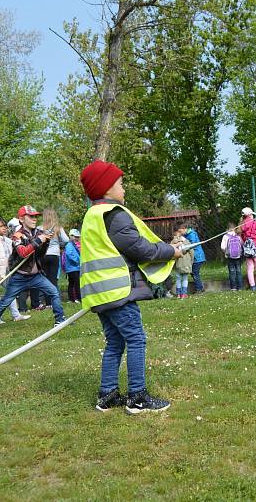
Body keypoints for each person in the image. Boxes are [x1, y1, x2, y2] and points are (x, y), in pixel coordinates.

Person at [79, 160, 180, 413]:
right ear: (106, 189)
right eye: (121, 184)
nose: (124, 189)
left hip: (101, 294)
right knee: (136, 339)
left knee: (115, 342)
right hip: (118, 292)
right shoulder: (114, 214)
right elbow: (139, 248)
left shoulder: (92, 215)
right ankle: (137, 397)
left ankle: (108, 394)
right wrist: (171, 251)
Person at [0, 205, 65, 334]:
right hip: (20, 277)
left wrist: (45, 242)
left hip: (36, 275)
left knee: (53, 292)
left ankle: (60, 319)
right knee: (6, 301)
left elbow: (40, 254)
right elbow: (23, 253)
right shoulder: (17, 236)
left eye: (36, 216)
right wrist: (39, 240)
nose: (34, 219)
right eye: (31, 216)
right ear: (22, 219)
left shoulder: (39, 233)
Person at [0, 216, 29, 324]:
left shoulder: (5, 240)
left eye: (5, 226)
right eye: (1, 226)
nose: (4, 228)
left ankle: (16, 315)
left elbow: (12, 250)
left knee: (10, 292)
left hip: (5, 272)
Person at [40, 208, 69, 308]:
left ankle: (47, 303)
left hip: (43, 255)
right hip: (54, 255)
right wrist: (59, 244)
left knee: (45, 279)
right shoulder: (58, 228)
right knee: (53, 279)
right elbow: (66, 240)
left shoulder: (40, 228)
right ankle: (54, 302)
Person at [240, 207, 256, 290]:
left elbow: (242, 236)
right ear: (250, 215)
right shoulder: (255, 223)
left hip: (247, 248)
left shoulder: (242, 224)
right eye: (251, 214)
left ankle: (252, 286)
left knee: (250, 267)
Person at [171, 223, 193, 298]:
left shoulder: (172, 242)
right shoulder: (186, 241)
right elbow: (191, 252)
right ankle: (184, 293)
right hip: (186, 263)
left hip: (178, 264)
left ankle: (178, 294)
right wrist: (191, 261)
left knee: (178, 278)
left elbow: (171, 251)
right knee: (185, 279)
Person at [221, 222, 244, 291]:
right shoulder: (238, 236)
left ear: (227, 229)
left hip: (230, 257)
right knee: (239, 271)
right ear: (234, 229)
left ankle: (233, 288)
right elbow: (242, 244)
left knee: (232, 271)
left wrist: (225, 252)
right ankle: (240, 287)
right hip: (238, 256)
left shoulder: (225, 236)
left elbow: (222, 247)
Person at [184, 224, 206, 293]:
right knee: (193, 273)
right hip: (195, 258)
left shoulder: (192, 234)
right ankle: (200, 287)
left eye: (181, 231)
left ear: (185, 228)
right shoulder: (187, 235)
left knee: (194, 272)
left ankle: (199, 289)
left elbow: (191, 244)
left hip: (198, 257)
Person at [63, 229, 82, 303]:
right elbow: (69, 254)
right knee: (77, 283)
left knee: (71, 283)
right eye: (75, 237)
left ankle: (71, 299)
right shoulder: (69, 245)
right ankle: (78, 298)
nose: (77, 238)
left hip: (72, 268)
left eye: (78, 237)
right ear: (70, 236)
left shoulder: (72, 245)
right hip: (73, 268)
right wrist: (78, 261)